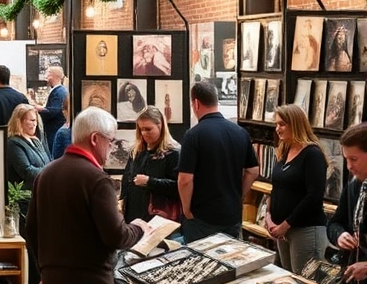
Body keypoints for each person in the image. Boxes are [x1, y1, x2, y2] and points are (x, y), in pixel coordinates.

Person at [25, 107, 147, 284]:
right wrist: (139, 228)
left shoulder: (46, 174)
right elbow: (116, 236)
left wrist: (45, 273)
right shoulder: (97, 179)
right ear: (94, 139)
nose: (111, 148)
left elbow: (32, 230)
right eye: (110, 141)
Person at [178, 81, 260, 242]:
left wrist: (187, 209)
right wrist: (238, 195)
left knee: (201, 264)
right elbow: (253, 171)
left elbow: (185, 180)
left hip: (202, 216)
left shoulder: (193, 135)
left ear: (195, 103)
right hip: (232, 214)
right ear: (217, 101)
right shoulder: (240, 132)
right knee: (230, 262)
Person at [265, 105, 327, 272]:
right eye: (276, 124)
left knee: (304, 282)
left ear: (296, 124)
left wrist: (286, 224)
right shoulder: (284, 151)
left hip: (304, 228)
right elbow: (276, 188)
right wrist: (268, 216)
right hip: (282, 230)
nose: (277, 129)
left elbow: (314, 196)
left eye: (282, 124)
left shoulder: (312, 154)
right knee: (288, 278)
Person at [5, 104, 50, 284]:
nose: (33, 124)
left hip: (39, 199)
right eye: (29, 120)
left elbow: (47, 164)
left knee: (40, 247)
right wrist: (49, 172)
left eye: (35, 120)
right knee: (30, 248)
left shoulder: (37, 141)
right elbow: (26, 171)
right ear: (19, 121)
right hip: (22, 203)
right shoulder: (14, 143)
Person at [327, 122, 367, 284]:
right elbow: (335, 222)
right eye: (346, 159)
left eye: (354, 159)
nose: (349, 166)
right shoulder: (353, 185)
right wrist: (340, 235)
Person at [120, 107, 181, 225]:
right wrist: (122, 201)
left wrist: (150, 182)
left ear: (160, 126)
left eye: (148, 129)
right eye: (141, 129)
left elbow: (178, 187)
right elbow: (126, 179)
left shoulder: (173, 152)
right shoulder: (136, 151)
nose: (144, 134)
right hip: (134, 216)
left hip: (160, 218)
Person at [28, 65, 66, 154]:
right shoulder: (59, 90)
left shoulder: (59, 92)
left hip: (53, 131)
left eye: (47, 74)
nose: (45, 77)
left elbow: (53, 111)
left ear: (53, 76)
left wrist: (39, 109)